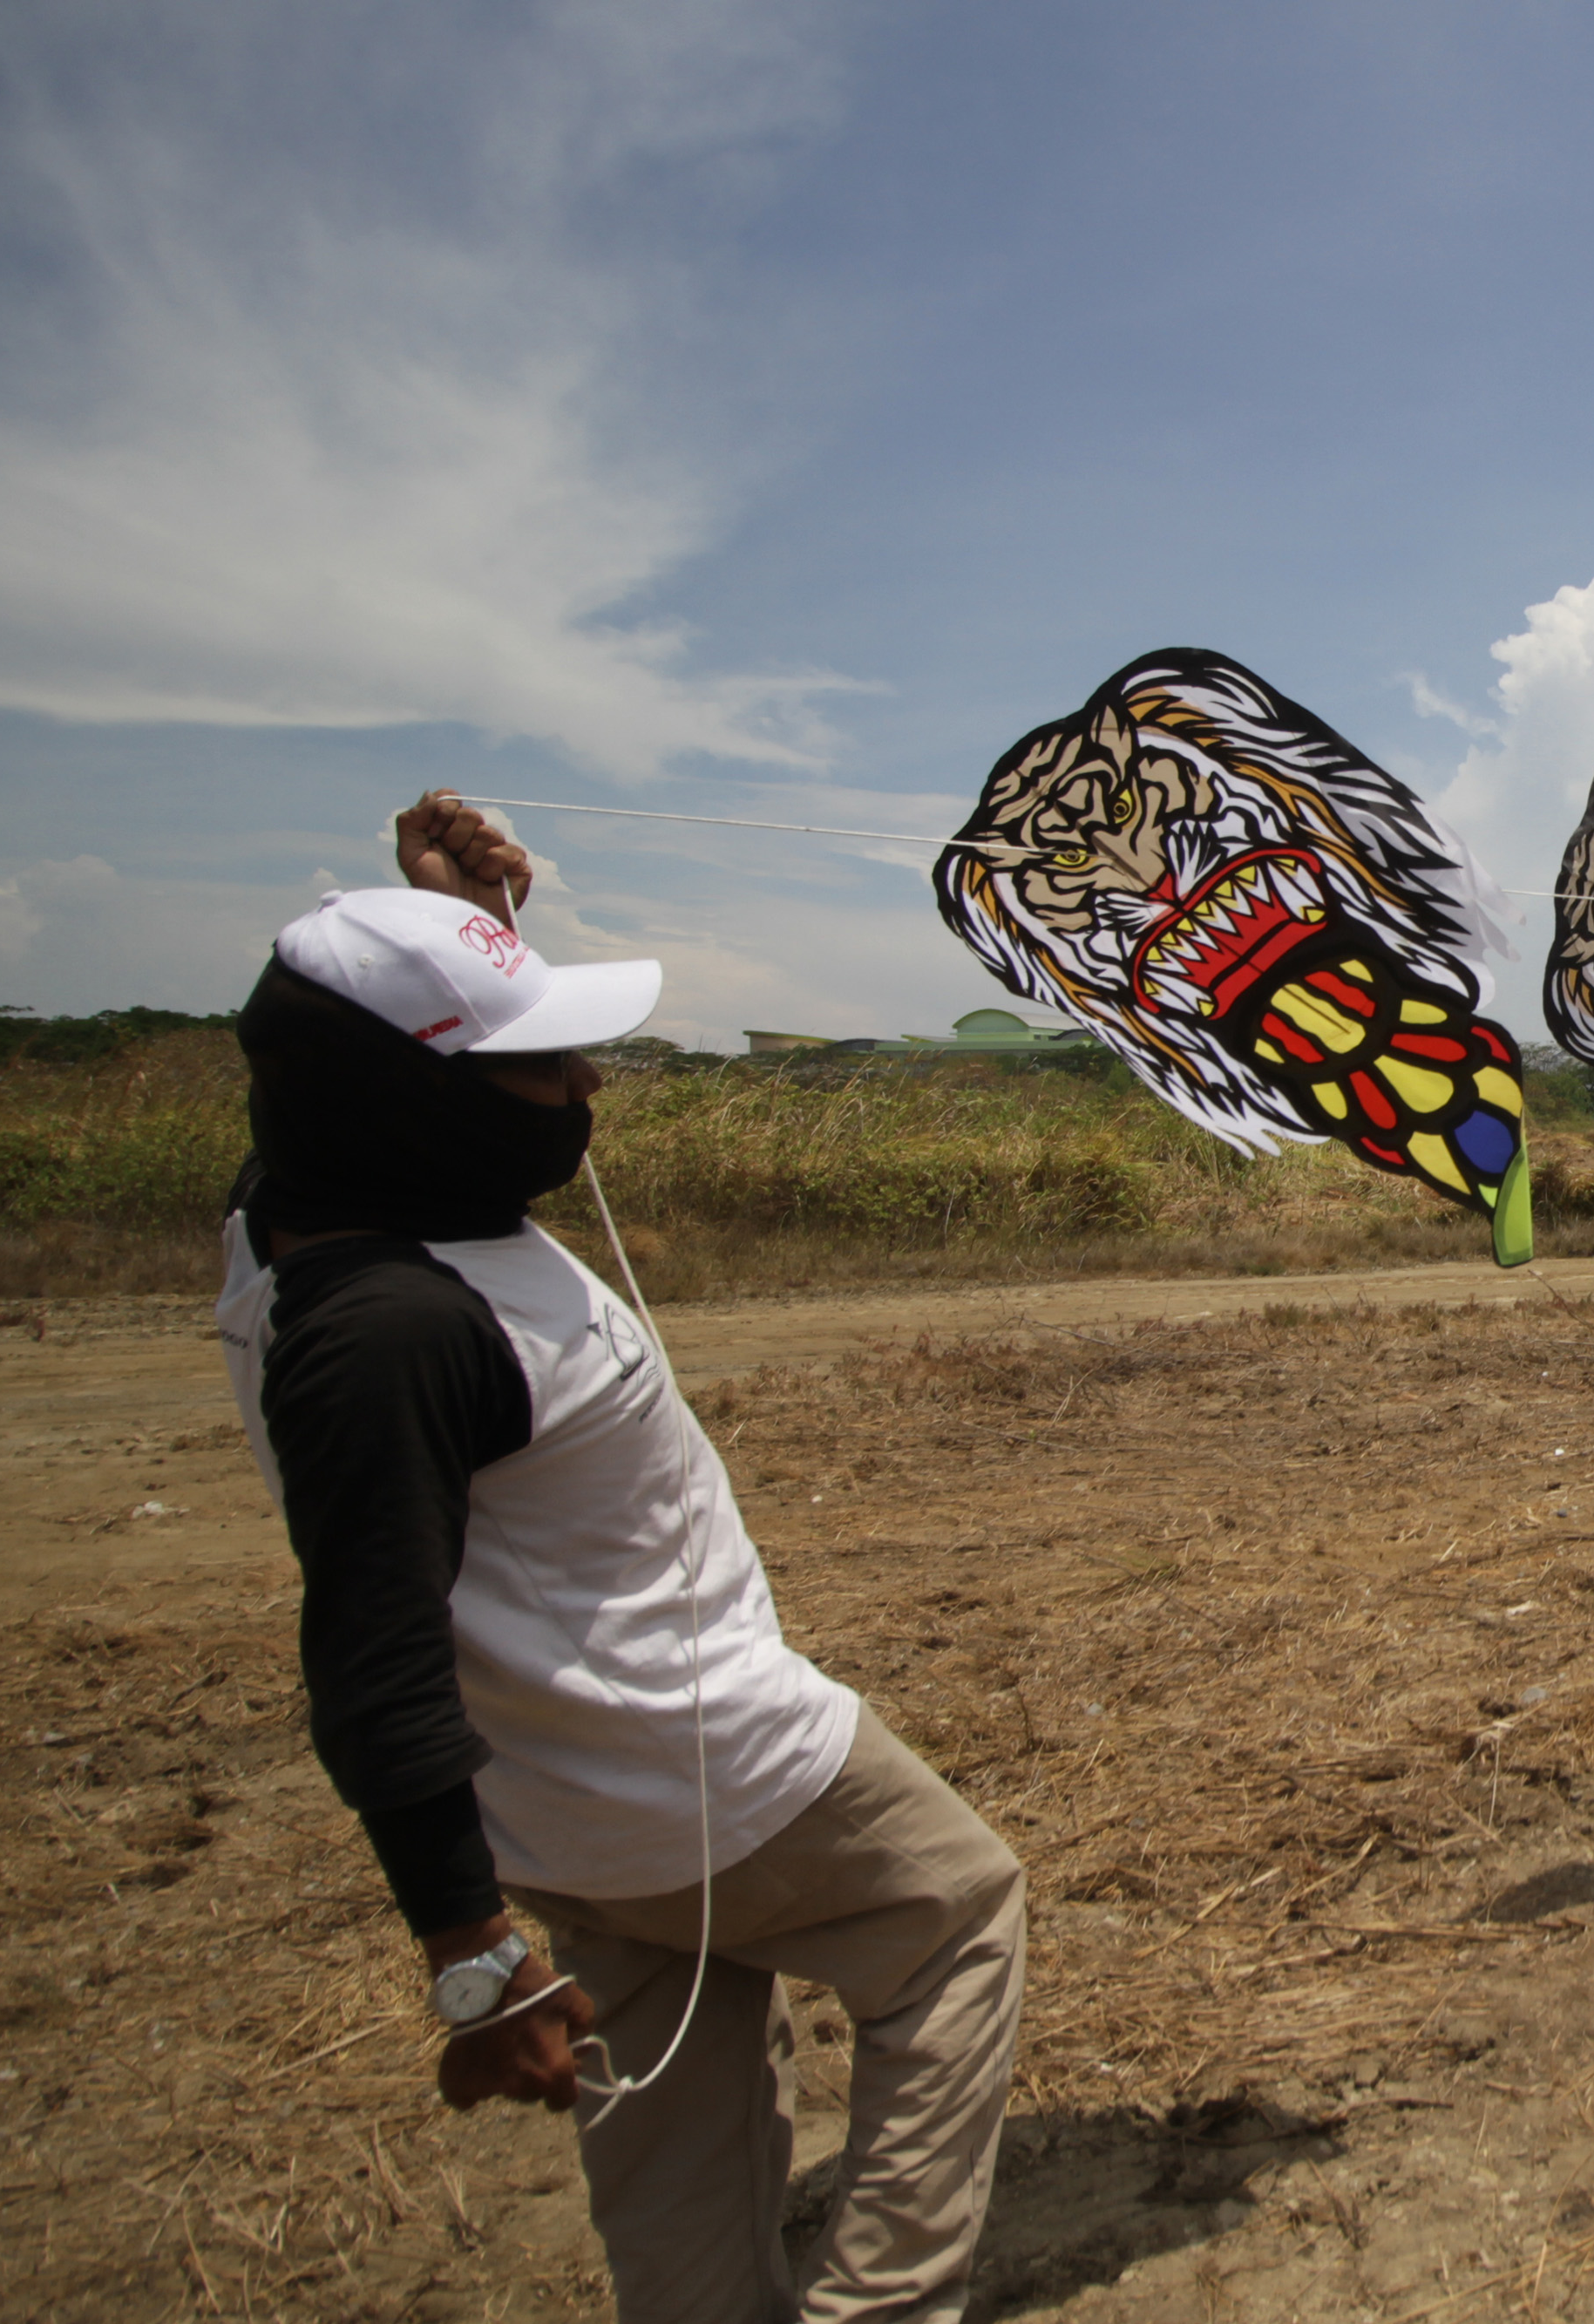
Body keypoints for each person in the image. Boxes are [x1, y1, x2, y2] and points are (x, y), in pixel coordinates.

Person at [219, 795, 1026, 2323]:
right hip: (711, 1768)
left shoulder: (290, 1218)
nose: (585, 1083)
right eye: (541, 1062)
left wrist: (457, 934)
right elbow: (373, 1660)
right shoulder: (393, 1335)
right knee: (958, 1916)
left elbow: (356, 1069)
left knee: (679, 2142)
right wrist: (471, 1960)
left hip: (573, 1814)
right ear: (418, 1103)